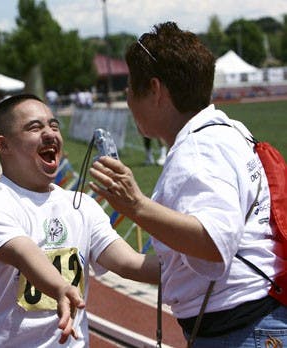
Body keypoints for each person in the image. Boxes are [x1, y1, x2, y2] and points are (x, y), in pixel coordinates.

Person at [89, 22, 286, 347]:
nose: (126, 98)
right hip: (255, 323)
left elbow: (213, 245)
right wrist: (120, 260)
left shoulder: (197, 150)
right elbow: (193, 263)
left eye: (130, 86)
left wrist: (135, 205)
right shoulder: (228, 130)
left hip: (240, 331)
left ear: (155, 90)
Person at [0, 94, 159, 347]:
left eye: (54, 126)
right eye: (35, 127)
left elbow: (129, 263)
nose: (49, 133)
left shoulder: (82, 205)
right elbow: (25, 254)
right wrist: (60, 288)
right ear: (3, 145)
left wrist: (197, 264)